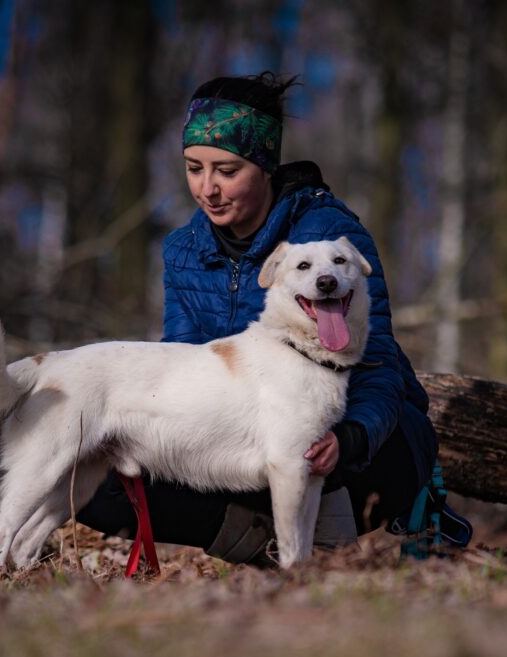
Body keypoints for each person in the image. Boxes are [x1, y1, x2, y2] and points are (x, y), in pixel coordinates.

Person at [78, 72, 461, 565]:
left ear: (264, 166)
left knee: (371, 439)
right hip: (244, 443)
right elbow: (180, 363)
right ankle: (272, 544)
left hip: (357, 447)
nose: (208, 189)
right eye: (194, 168)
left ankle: (359, 517)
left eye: (227, 170)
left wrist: (349, 439)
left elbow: (379, 364)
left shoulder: (329, 240)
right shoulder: (183, 251)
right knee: (88, 479)